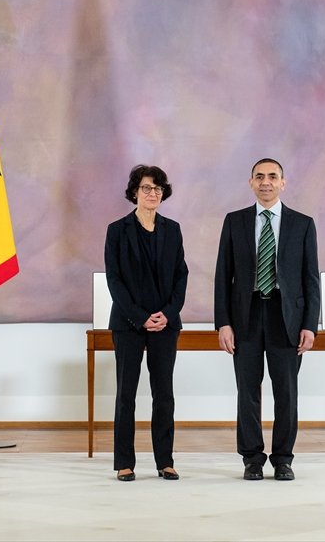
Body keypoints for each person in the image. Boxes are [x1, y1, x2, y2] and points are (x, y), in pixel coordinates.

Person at [214, 158, 320, 481]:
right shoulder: (235, 222)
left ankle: (283, 458)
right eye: (259, 177)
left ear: (283, 183)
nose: (266, 182)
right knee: (247, 391)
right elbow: (223, 276)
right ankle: (252, 458)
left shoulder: (302, 224)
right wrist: (223, 323)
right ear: (251, 183)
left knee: (286, 391)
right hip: (245, 317)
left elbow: (311, 278)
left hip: (286, 317)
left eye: (273, 176)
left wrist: (310, 325)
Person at [104, 165, 188, 482]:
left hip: (166, 324)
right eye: (146, 188)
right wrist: (140, 317)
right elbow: (115, 280)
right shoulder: (117, 230)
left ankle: (165, 461)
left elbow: (181, 275)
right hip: (128, 325)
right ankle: (124, 462)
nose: (152, 193)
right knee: (126, 393)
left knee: (163, 394)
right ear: (134, 192)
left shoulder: (173, 229)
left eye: (157, 189)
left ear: (163, 194)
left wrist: (166, 313)